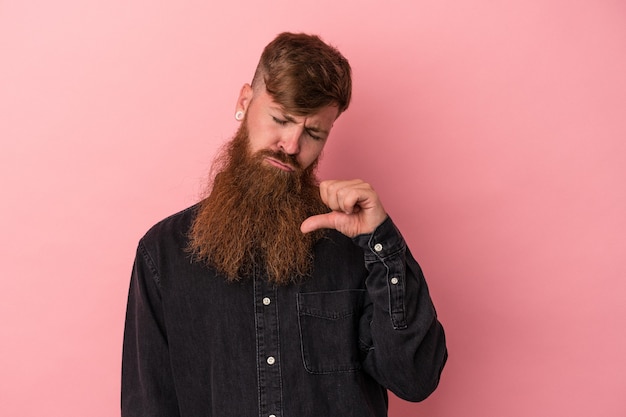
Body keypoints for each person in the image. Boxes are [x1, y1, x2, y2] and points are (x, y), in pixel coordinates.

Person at [121, 32, 447, 417]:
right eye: (280, 119)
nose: (291, 146)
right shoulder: (163, 253)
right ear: (244, 102)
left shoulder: (357, 247)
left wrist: (382, 244)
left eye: (313, 133)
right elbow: (149, 406)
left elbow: (414, 379)